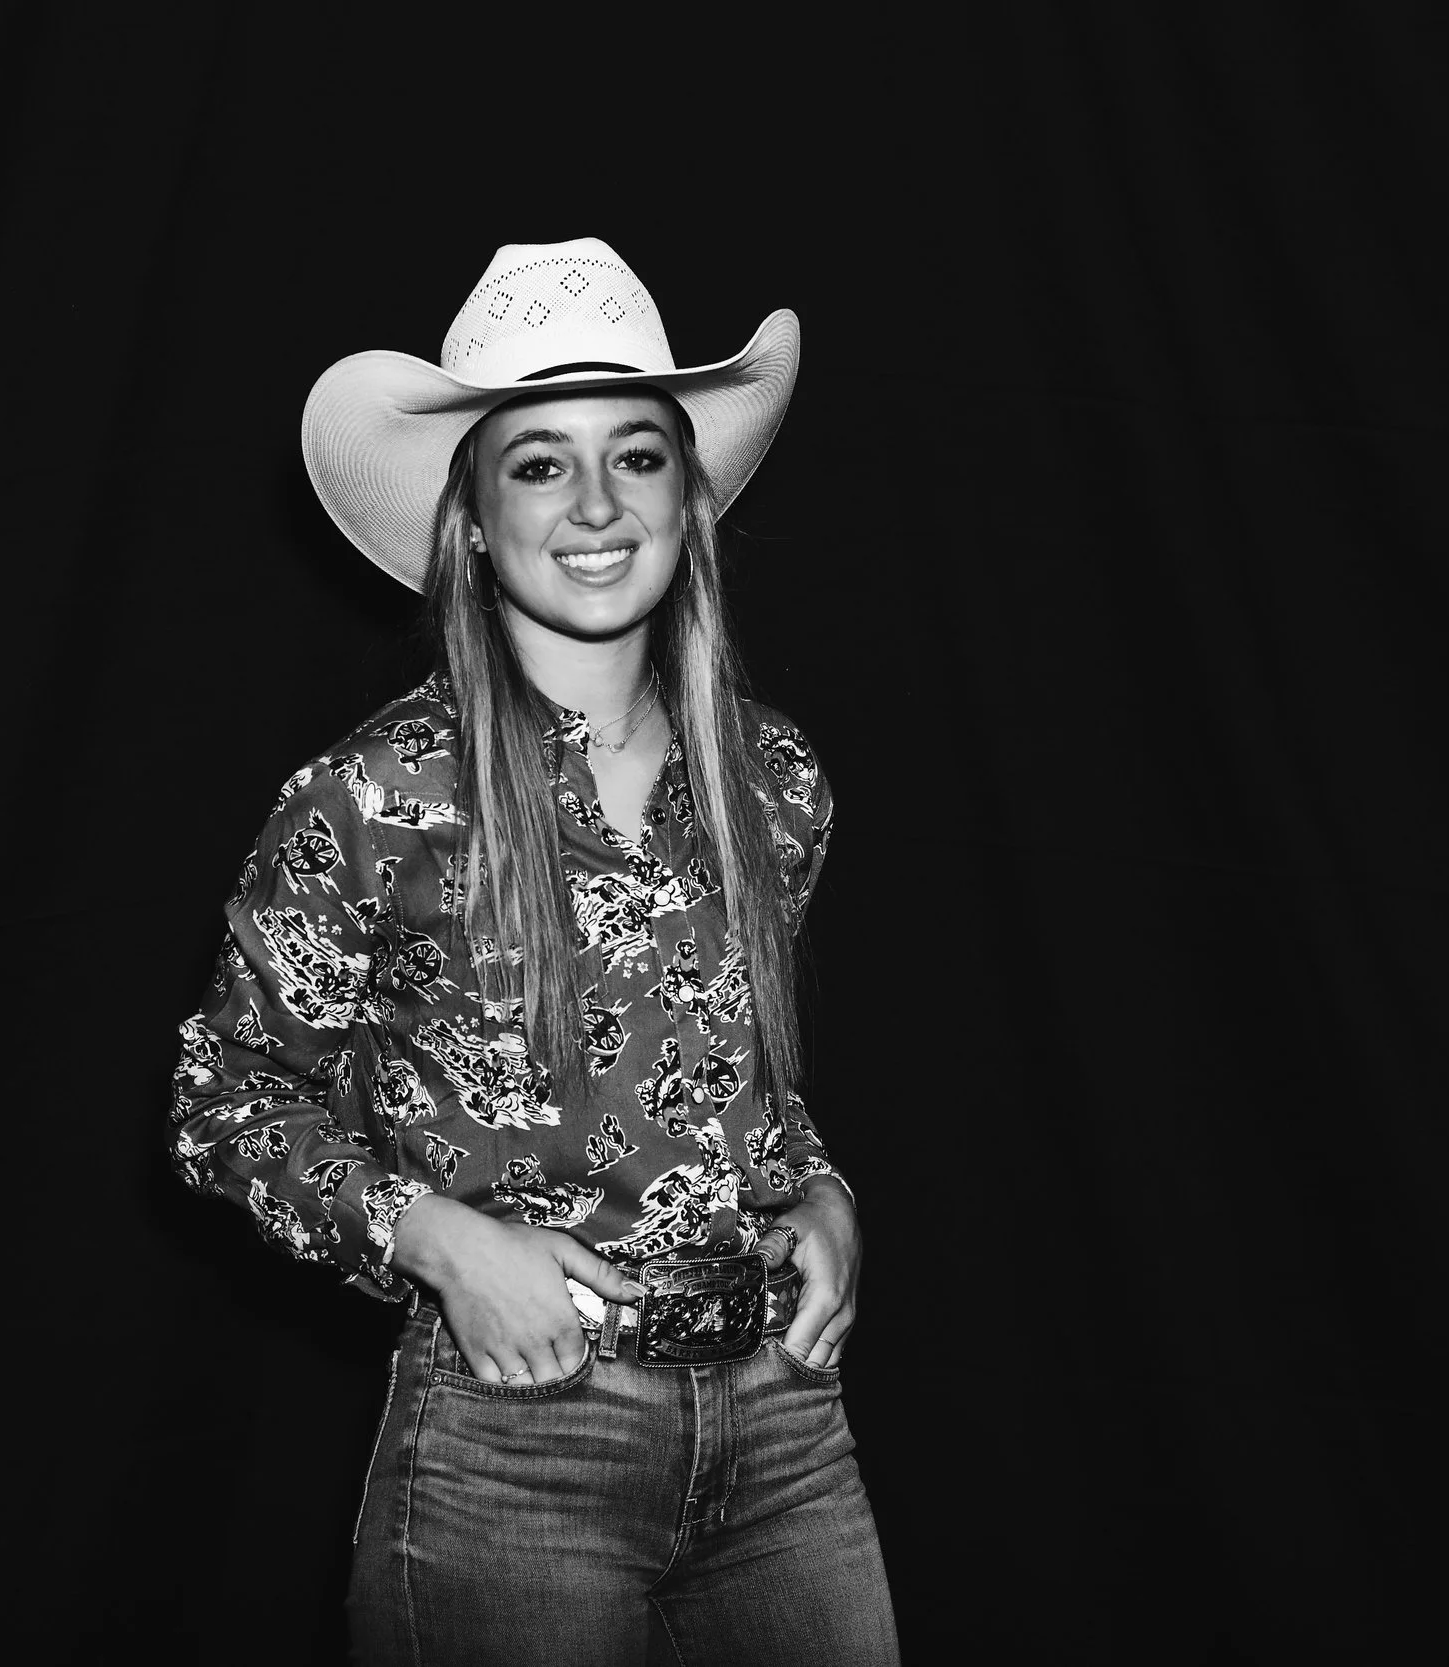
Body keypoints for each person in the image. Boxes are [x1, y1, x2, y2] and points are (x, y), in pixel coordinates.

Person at [170, 238, 897, 1665]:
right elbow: (226, 1100)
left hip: (784, 1419)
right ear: (474, 524)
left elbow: (735, 1086)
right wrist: (441, 1242)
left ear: (689, 502)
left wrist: (821, 1192)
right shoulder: (379, 795)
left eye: (636, 455)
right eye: (541, 464)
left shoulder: (777, 782)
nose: (597, 505)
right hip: (519, 1439)